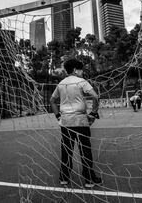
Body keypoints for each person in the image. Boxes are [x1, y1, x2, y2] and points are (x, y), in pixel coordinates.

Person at [50, 59, 102, 188]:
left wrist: (58, 116)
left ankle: (64, 178)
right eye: (80, 69)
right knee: (85, 150)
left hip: (66, 122)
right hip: (80, 120)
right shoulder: (81, 81)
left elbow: (52, 100)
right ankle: (89, 179)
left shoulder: (61, 83)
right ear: (75, 70)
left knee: (66, 149)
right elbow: (95, 97)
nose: (82, 72)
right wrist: (93, 113)